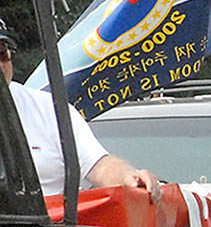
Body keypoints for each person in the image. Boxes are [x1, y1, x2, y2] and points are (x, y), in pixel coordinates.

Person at [1, 29, 160, 200]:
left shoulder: (51, 108)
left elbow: (99, 166)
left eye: (2, 53)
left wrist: (130, 177)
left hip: (47, 225)